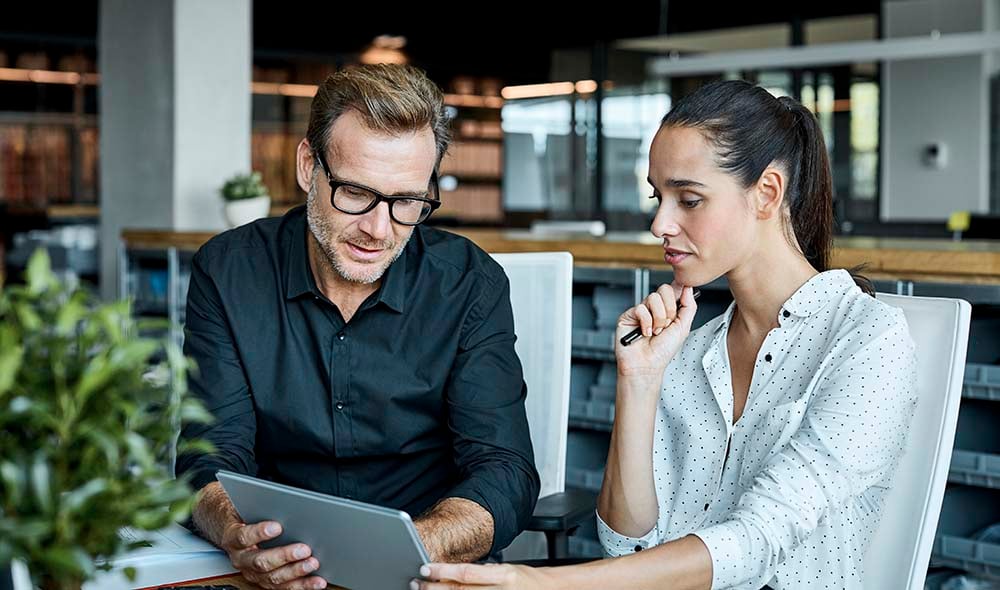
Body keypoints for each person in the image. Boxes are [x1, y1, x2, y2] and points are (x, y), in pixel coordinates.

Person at [415, 80, 918, 590]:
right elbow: (626, 543)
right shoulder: (691, 348)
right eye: (659, 197)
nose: (660, 223)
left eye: (690, 200)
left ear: (766, 193)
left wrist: (542, 584)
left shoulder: (869, 341)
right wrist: (639, 380)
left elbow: (759, 538)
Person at [176, 63, 539, 590]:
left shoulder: (470, 285)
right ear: (308, 166)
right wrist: (237, 533)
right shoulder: (229, 271)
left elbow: (504, 470)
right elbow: (209, 453)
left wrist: (412, 545)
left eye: (407, 202)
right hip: (274, 567)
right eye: (354, 192)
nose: (377, 229)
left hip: (422, 568)